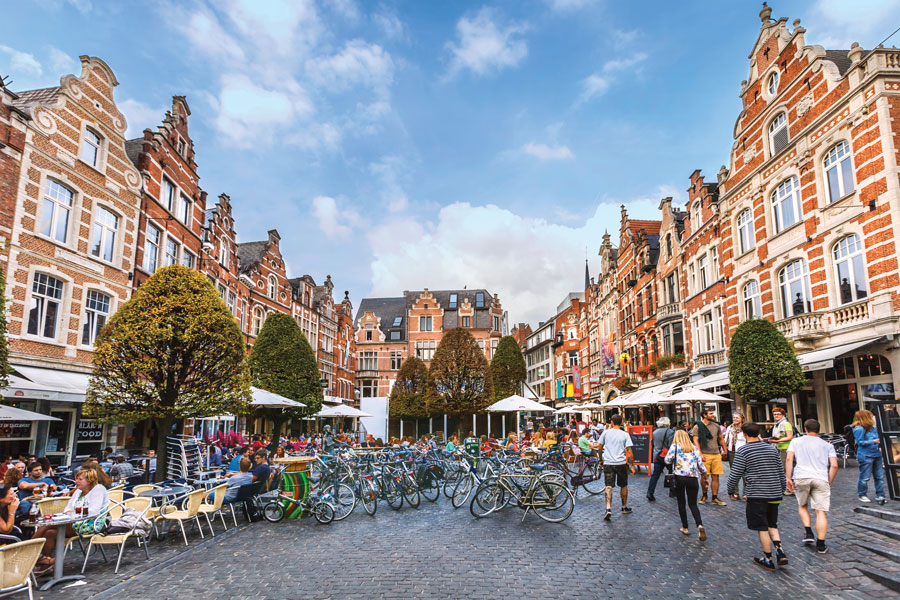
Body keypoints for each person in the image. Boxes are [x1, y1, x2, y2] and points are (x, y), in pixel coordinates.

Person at [727, 421, 788, 571]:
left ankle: (768, 559)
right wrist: (782, 488)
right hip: (774, 492)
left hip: (757, 493)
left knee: (762, 527)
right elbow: (781, 471)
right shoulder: (771, 449)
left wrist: (730, 490)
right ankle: (780, 551)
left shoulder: (743, 451)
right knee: (772, 523)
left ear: (745, 434)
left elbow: (735, 474)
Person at [33, 468, 109, 574]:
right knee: (49, 533)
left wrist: (74, 512)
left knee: (47, 525)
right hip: (74, 523)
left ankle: (30, 551)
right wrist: (75, 512)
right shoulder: (78, 491)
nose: (76, 482)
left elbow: (93, 512)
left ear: (89, 481)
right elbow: (67, 510)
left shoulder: (98, 489)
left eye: (80, 479)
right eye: (76, 479)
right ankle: (46, 563)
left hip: (90, 524)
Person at [786, 419, 838, 554]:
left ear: (805, 429)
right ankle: (821, 544)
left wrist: (788, 477)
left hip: (801, 476)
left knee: (802, 505)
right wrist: (829, 480)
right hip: (820, 478)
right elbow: (834, 465)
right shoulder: (827, 445)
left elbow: (789, 459)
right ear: (819, 430)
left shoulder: (796, 442)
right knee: (820, 512)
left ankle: (808, 533)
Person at [665, 429, 707, 540]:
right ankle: (699, 524)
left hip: (679, 477)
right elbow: (701, 466)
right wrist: (705, 476)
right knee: (693, 504)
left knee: (681, 502)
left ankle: (685, 527)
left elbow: (667, 460)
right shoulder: (694, 448)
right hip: (692, 478)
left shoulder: (675, 447)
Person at [597, 414, 634, 521]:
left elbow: (599, 447)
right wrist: (631, 465)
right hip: (621, 463)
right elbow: (629, 452)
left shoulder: (606, 433)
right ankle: (624, 507)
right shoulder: (625, 434)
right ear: (621, 423)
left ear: (612, 423)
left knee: (608, 486)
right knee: (623, 485)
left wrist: (600, 459)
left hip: (608, 462)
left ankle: (608, 508)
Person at [691, 407, 728, 505]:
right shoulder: (698, 426)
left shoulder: (716, 426)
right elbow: (696, 441)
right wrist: (700, 454)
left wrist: (725, 451)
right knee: (704, 477)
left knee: (716, 476)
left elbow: (721, 439)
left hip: (716, 454)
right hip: (705, 454)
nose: (713, 415)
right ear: (705, 415)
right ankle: (704, 495)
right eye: (711, 413)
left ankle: (715, 497)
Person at [852, 409, 886, 505]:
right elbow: (860, 443)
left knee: (879, 476)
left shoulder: (872, 428)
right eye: (870, 416)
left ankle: (881, 495)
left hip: (876, 453)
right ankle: (862, 494)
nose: (873, 418)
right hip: (866, 455)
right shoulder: (859, 429)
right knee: (865, 477)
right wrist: (874, 442)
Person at [766, 407, 794, 495]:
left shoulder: (786, 424)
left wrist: (777, 441)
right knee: (780, 468)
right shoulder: (776, 424)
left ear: (783, 415)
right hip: (778, 447)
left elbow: (790, 436)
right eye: (774, 414)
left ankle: (790, 489)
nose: (776, 416)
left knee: (786, 468)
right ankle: (785, 487)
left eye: (778, 414)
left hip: (785, 448)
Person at [647, 417, 675, 502]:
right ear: (667, 424)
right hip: (667, 456)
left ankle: (650, 492)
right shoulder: (670, 432)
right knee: (671, 473)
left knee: (655, 475)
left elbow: (652, 444)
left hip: (657, 457)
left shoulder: (654, 432)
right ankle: (672, 491)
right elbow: (671, 445)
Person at [725, 413, 748, 499]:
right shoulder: (730, 428)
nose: (735, 419)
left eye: (737, 418)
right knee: (734, 473)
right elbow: (726, 439)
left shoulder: (745, 428)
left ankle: (745, 493)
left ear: (742, 419)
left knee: (745, 473)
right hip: (732, 452)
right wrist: (724, 449)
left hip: (743, 452)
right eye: (734, 417)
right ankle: (736, 493)